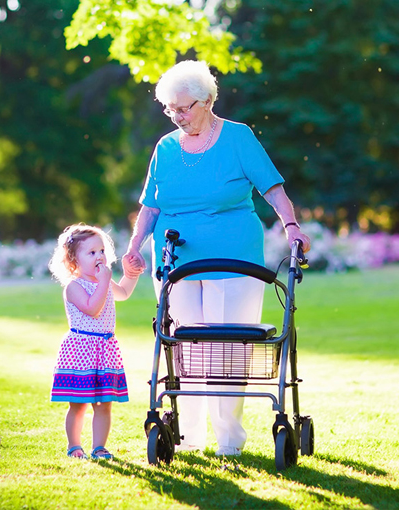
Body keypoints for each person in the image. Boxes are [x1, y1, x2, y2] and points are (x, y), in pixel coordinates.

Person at [123, 60, 312, 457]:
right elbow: (151, 206)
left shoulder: (238, 138)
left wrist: (291, 225)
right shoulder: (166, 147)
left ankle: (229, 440)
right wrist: (134, 245)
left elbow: (273, 189)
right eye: (169, 109)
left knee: (228, 348)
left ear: (208, 100)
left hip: (234, 260)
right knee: (184, 349)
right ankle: (189, 437)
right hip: (176, 262)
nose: (176, 116)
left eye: (184, 107)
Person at [49, 224, 145, 460]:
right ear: (74, 261)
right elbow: (92, 308)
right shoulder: (74, 286)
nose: (99, 256)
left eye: (101, 250)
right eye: (91, 253)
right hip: (81, 351)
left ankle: (99, 447)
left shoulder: (102, 281)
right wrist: (103, 282)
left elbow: (122, 292)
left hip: (104, 350)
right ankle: (74, 446)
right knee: (79, 403)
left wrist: (130, 275)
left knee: (104, 403)